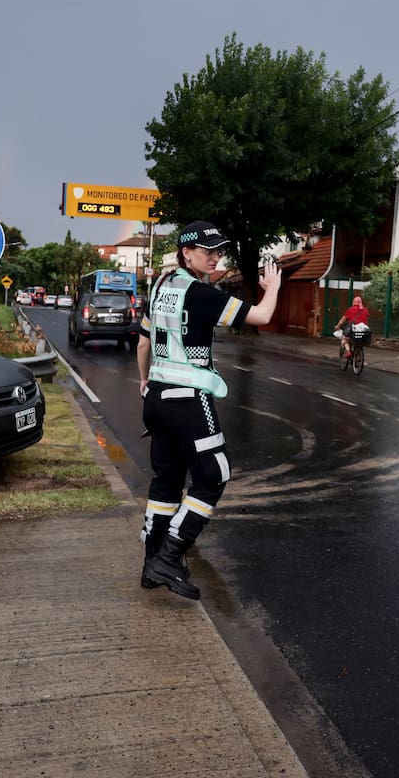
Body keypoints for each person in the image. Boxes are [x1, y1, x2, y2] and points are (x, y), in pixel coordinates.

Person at [136, 220, 281, 600]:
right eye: (208, 251)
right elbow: (262, 317)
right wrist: (274, 289)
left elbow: (142, 342)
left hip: (157, 397)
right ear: (187, 253)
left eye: (218, 250)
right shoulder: (201, 293)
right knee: (214, 474)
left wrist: (145, 381)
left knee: (166, 481)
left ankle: (152, 565)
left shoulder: (159, 286)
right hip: (188, 398)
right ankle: (170, 555)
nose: (216, 256)